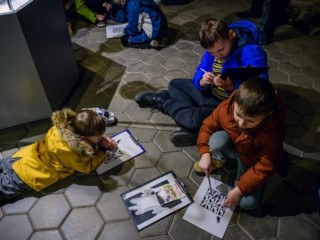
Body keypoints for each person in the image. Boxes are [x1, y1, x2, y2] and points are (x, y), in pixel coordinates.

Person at [135, 18, 268, 147]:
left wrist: (231, 86)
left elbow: (259, 89)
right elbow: (201, 69)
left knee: (194, 121)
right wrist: (202, 81)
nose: (218, 55)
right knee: (175, 84)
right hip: (210, 92)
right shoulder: (213, 47)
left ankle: (165, 103)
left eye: (221, 50)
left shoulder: (251, 51)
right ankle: (187, 119)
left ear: (230, 36)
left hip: (227, 104)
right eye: (212, 53)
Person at [195, 78, 286, 215]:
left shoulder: (274, 132)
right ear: (236, 100)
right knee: (216, 141)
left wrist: (239, 190)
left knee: (247, 204)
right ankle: (219, 159)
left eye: (251, 121)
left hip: (253, 160)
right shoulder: (227, 107)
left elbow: (264, 167)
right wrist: (204, 153)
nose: (242, 123)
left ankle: (264, 173)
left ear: (268, 115)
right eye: (238, 115)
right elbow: (207, 127)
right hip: (236, 145)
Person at [0, 108, 118, 201]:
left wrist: (96, 141)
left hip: (20, 158)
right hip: (26, 177)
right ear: (83, 139)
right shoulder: (74, 152)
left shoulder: (60, 128)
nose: (101, 139)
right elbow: (87, 168)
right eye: (98, 138)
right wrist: (102, 149)